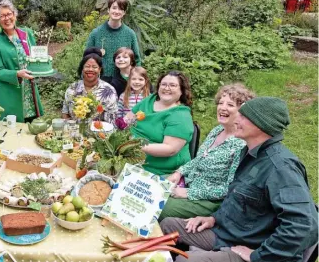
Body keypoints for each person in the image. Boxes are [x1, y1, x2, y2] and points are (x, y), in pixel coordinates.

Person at [160, 97, 318, 262]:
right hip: (227, 234)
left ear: (261, 124)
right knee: (168, 225)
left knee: (186, 260)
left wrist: (257, 255)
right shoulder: (250, 154)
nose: (236, 119)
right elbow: (237, 199)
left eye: (243, 116)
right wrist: (213, 218)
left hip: (252, 246)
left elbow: (304, 227)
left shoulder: (281, 168)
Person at [158, 84, 255, 220]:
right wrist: (179, 172)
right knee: (149, 185)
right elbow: (199, 159)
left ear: (242, 111)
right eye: (221, 103)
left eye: (230, 105)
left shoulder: (241, 145)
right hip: (188, 182)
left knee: (158, 207)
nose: (222, 107)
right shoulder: (217, 130)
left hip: (209, 201)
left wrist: (189, 193)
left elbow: (230, 188)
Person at [0, 0, 44, 122]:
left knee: (32, 129)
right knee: (14, 130)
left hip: (30, 91)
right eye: (2, 16)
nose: (7, 18)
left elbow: (35, 58)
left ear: (15, 14)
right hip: (9, 93)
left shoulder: (27, 33)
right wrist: (17, 74)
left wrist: (41, 68)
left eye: (9, 14)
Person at [127, 71, 194, 176]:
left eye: (173, 85)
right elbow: (128, 119)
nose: (166, 88)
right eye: (163, 84)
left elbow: (169, 149)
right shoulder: (150, 100)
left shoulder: (180, 115)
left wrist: (133, 145)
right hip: (129, 158)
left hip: (156, 170)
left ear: (182, 90)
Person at [86, 0, 142, 82]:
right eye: (114, 7)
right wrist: (85, 81)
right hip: (100, 80)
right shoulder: (95, 33)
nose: (117, 11)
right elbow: (86, 59)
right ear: (108, 10)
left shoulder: (130, 34)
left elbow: (137, 60)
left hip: (123, 80)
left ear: (124, 12)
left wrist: (136, 79)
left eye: (120, 9)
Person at [62, 50, 118, 124]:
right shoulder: (72, 88)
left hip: (99, 133)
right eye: (87, 66)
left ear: (99, 70)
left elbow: (112, 120)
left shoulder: (108, 91)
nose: (90, 69)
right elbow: (65, 114)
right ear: (82, 69)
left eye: (94, 67)